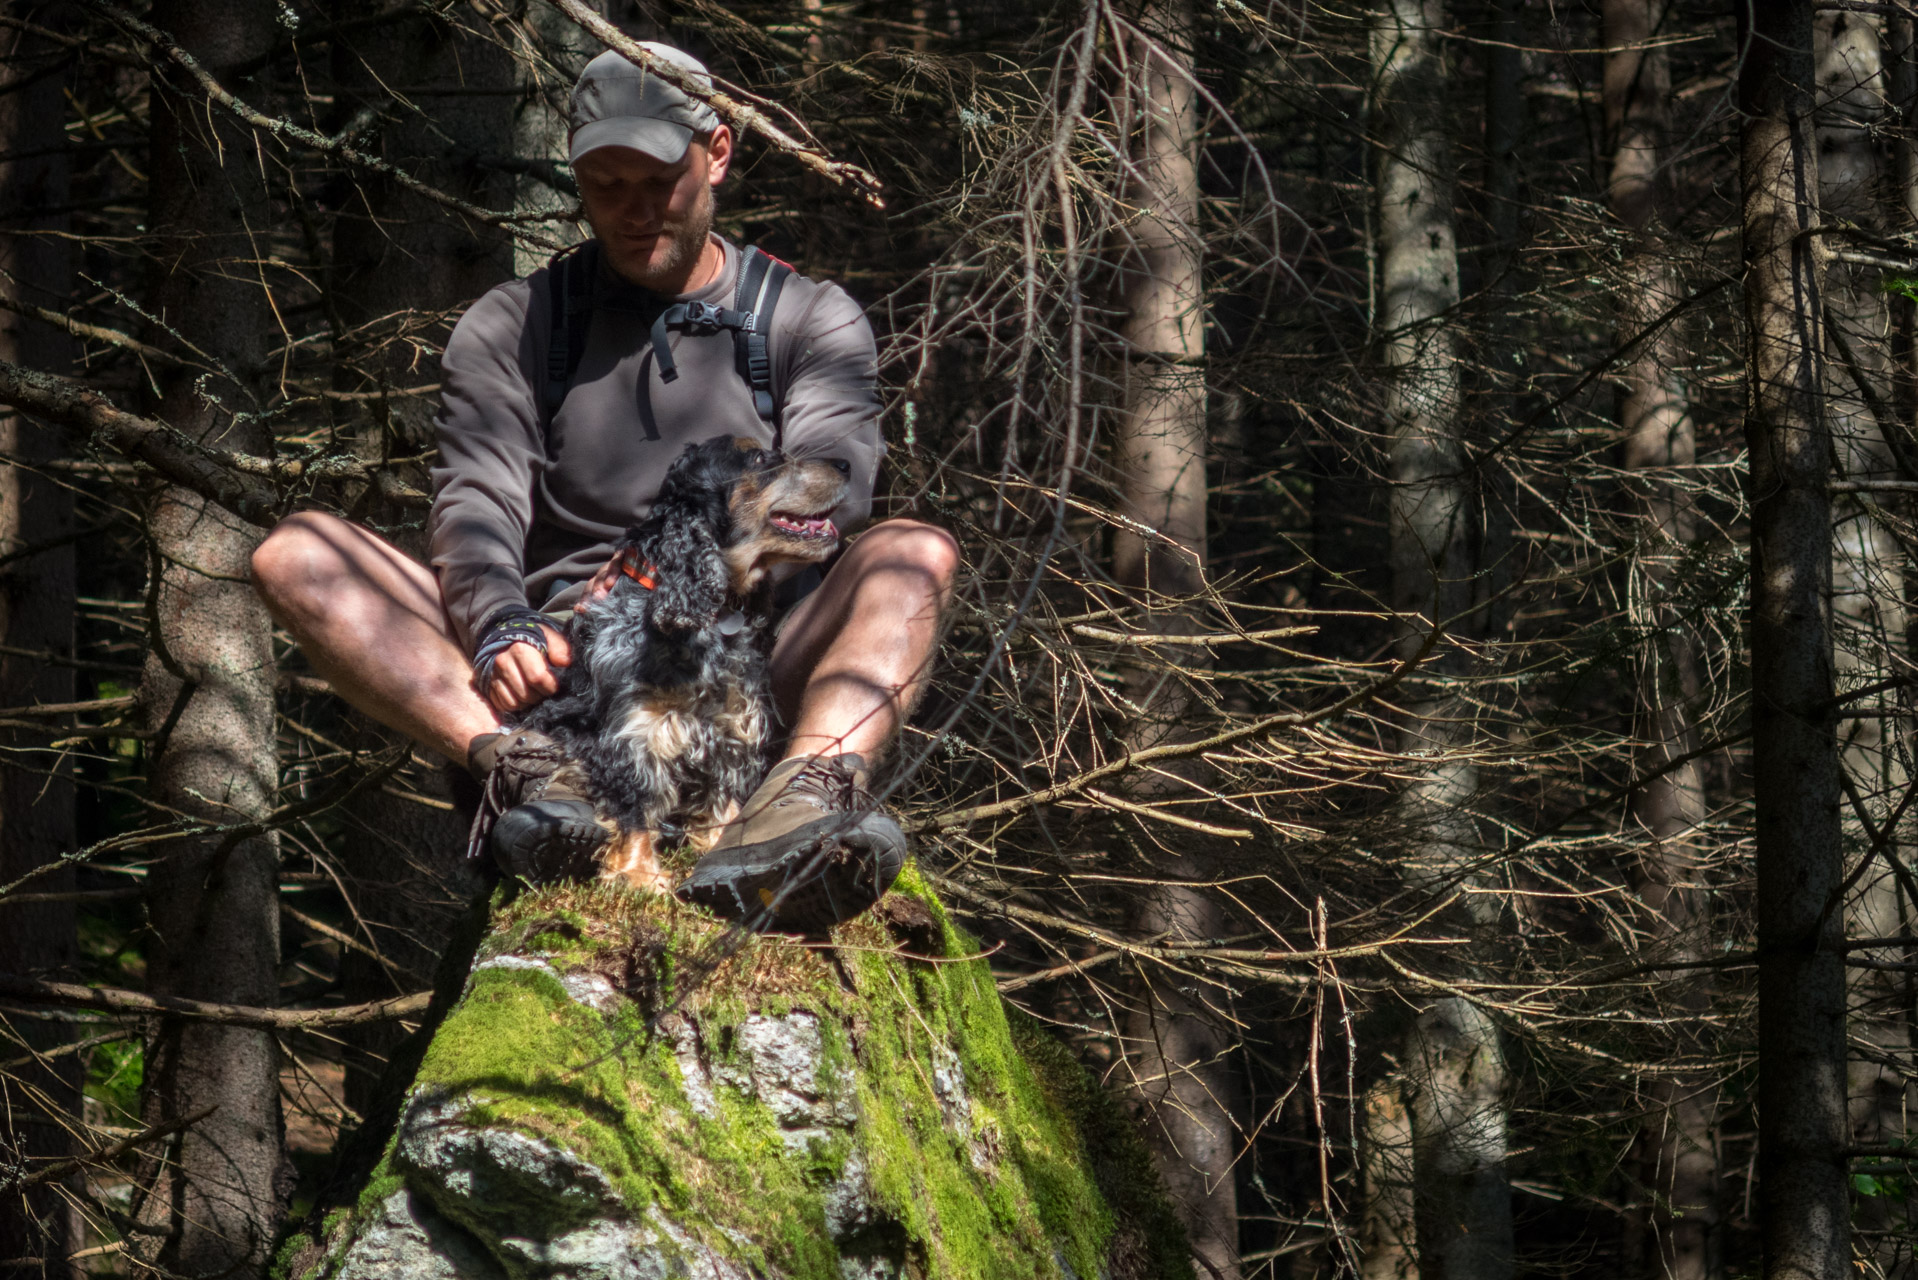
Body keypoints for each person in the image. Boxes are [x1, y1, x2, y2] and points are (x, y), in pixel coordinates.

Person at [250, 44, 957, 932]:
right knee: (297, 552)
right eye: (605, 185)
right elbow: (477, 503)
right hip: (561, 671)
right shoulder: (514, 324)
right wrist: (501, 621)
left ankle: (799, 802)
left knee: (917, 554)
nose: (632, 211)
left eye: (657, 179)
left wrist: (681, 576)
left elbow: (836, 486)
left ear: (719, 154)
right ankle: (536, 780)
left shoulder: (807, 315)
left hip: (752, 653)